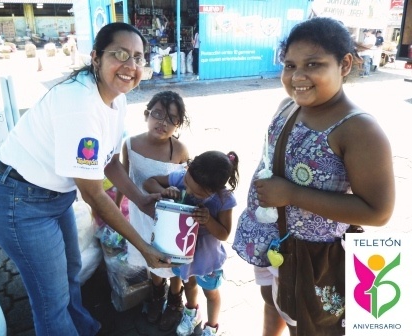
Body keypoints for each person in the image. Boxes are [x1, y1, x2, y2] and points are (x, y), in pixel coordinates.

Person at [0, 22, 172, 336]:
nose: (131, 66)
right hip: (16, 198)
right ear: (96, 57)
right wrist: (144, 247)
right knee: (50, 301)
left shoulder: (115, 97)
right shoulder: (79, 105)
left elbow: (107, 160)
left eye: (138, 58)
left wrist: (140, 198)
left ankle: (84, 329)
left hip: (53, 197)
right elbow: (95, 195)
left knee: (70, 274)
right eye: (120, 54)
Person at [232, 17, 395, 336]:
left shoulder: (360, 130)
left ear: (344, 64)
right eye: (290, 65)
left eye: (314, 64)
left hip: (313, 258)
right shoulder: (287, 106)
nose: (298, 76)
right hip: (272, 241)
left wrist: (291, 195)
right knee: (273, 301)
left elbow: (379, 212)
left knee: (309, 325)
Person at [115, 90, 190, 331]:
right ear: (146, 114)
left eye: (171, 119)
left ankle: (176, 300)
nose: (163, 122)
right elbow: (122, 177)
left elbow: (186, 188)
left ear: (178, 124)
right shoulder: (130, 144)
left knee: (172, 261)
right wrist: (115, 210)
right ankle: (158, 294)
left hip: (169, 220)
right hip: (141, 215)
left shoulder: (179, 151)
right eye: (157, 114)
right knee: (152, 260)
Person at [144, 150, 240, 336]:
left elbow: (224, 234)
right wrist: (163, 191)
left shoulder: (224, 200)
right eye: (187, 183)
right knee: (188, 284)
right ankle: (191, 312)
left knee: (210, 292)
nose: (187, 191)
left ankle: (211, 327)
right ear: (188, 170)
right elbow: (149, 182)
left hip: (207, 259)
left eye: (196, 192)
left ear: (213, 190)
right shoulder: (181, 178)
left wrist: (209, 220)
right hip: (183, 253)